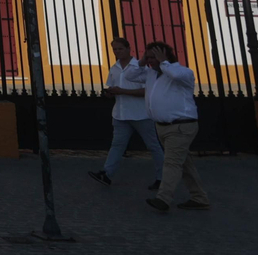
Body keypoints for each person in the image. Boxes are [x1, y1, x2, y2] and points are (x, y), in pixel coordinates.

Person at [125, 41, 210, 213]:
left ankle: (163, 199)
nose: (150, 61)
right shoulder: (150, 74)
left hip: (181, 126)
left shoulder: (183, 72)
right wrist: (141, 62)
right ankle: (199, 198)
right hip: (162, 127)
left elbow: (175, 75)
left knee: (171, 162)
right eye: (148, 57)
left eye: (153, 57)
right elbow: (129, 76)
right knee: (183, 164)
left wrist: (163, 62)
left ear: (165, 56)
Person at [88, 38, 164, 191]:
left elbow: (147, 91)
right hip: (120, 114)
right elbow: (112, 87)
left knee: (153, 146)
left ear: (129, 49)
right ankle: (107, 174)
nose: (117, 52)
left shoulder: (140, 67)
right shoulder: (114, 68)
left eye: (120, 49)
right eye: (115, 49)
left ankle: (162, 178)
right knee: (117, 145)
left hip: (140, 114)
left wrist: (122, 91)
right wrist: (110, 93)